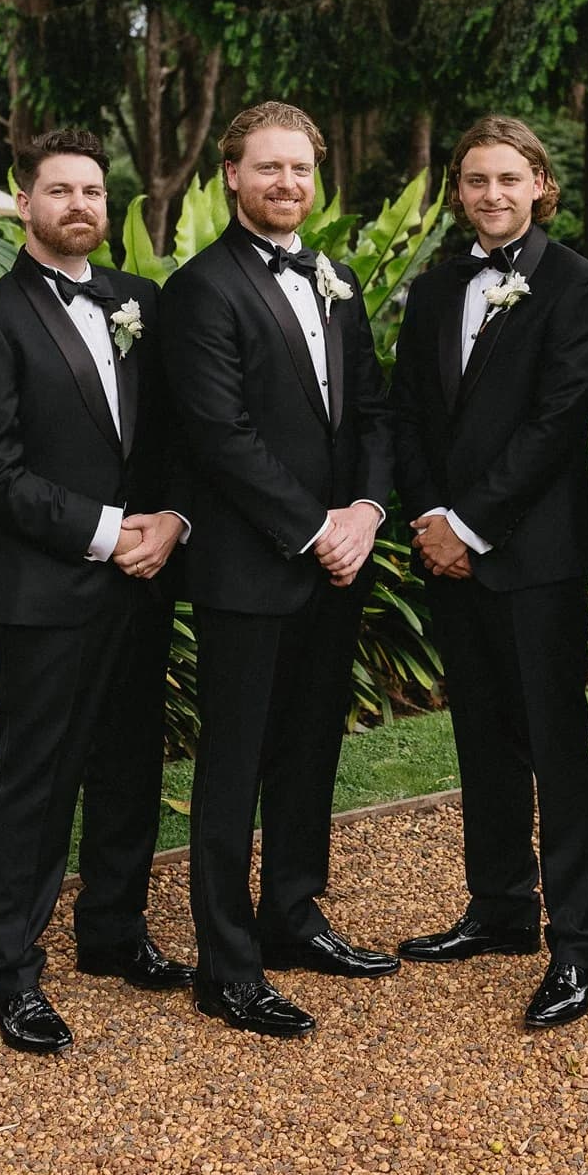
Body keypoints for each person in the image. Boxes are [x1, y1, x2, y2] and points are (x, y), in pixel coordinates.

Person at [0, 127, 191, 1055]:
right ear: (24, 203)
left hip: (146, 579)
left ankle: (113, 935)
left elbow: (173, 437)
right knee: (38, 783)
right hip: (47, 591)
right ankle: (10, 974)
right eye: (60, 192)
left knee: (130, 766)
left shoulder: (143, 303)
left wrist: (169, 522)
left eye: (92, 191)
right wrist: (102, 532)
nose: (79, 205)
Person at [158, 101, 397, 1040]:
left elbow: (374, 410)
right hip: (249, 569)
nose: (286, 185)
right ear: (230, 174)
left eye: (300, 169)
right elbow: (220, 435)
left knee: (309, 751)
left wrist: (368, 514)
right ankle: (227, 964)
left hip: (337, 563)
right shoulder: (198, 291)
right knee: (235, 763)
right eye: (268, 169)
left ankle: (293, 917)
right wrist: (314, 529)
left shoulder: (336, 279)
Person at [392, 115, 588, 1029]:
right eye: (476, 181)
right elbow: (405, 412)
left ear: (540, 188)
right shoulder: (435, 288)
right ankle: (498, 909)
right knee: (480, 739)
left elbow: (556, 423)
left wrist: (472, 524)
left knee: (553, 748)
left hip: (534, 556)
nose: (491, 195)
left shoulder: (577, 286)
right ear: (459, 192)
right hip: (446, 556)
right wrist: (427, 519)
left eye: (508, 180)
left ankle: (575, 944)